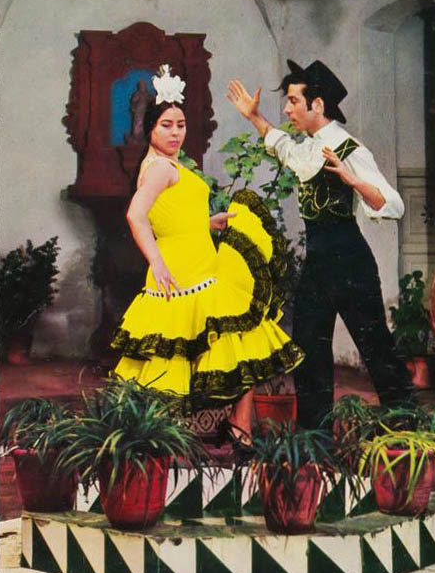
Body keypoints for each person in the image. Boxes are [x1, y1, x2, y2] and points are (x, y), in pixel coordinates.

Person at [111, 64, 304, 448]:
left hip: (200, 264)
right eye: (166, 125)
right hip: (185, 274)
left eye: (180, 125)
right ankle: (215, 432)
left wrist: (207, 223)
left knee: (236, 342)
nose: (175, 133)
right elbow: (136, 215)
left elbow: (169, 215)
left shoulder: (165, 165)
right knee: (214, 348)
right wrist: (157, 261)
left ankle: (238, 426)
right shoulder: (160, 168)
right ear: (150, 128)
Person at [227, 59, 415, 429]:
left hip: (350, 262)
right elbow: (281, 145)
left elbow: (394, 205)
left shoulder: (350, 149)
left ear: (317, 104)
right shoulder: (308, 148)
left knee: (376, 347)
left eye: (293, 101)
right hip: (317, 264)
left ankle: (406, 431)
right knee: (307, 349)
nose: (287, 110)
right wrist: (254, 117)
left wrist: (354, 181)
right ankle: (315, 439)